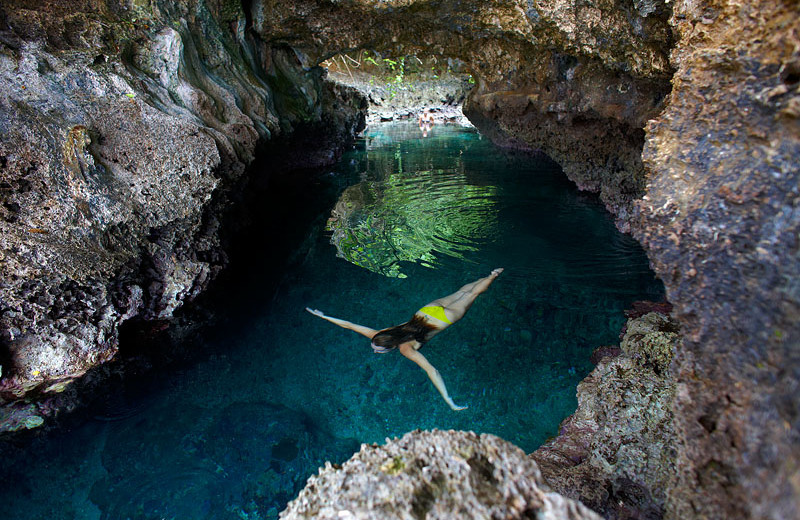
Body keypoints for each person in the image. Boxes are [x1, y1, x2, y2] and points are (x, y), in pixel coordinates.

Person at [305, 268, 503, 411]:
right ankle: (487, 274)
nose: (375, 350)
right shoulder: (383, 333)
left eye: (378, 349)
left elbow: (431, 371)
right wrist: (322, 316)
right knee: (462, 292)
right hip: (427, 310)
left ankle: (493, 276)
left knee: (473, 295)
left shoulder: (405, 349)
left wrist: (448, 399)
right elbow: (349, 324)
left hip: (444, 319)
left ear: (390, 346)